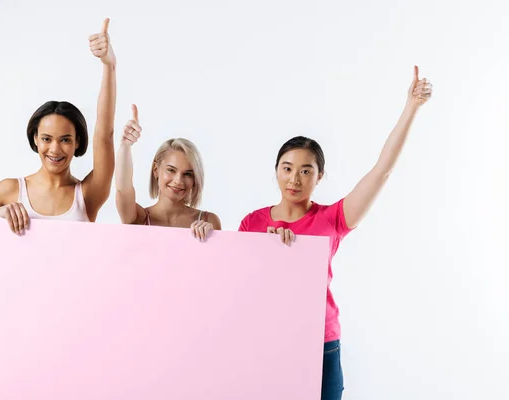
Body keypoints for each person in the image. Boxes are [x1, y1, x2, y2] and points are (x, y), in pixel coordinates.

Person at [238, 66, 432, 399]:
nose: (295, 179)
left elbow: (381, 171)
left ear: (319, 176)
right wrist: (267, 255)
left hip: (321, 344)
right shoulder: (252, 224)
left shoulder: (331, 219)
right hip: (268, 340)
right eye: (287, 169)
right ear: (276, 171)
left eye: (305, 171)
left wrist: (410, 108)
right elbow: (237, 282)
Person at [0, 18, 117, 249]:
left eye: (65, 140)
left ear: (77, 142)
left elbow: (105, 136)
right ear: (35, 138)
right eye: (46, 139)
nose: (55, 149)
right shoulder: (11, 190)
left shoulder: (88, 194)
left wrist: (109, 66)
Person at [115, 104, 221, 240]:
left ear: (195, 180)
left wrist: (212, 238)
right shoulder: (138, 218)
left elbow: (218, 261)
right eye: (171, 170)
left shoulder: (208, 220)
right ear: (156, 170)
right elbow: (123, 190)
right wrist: (125, 145)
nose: (178, 180)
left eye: (188, 174)